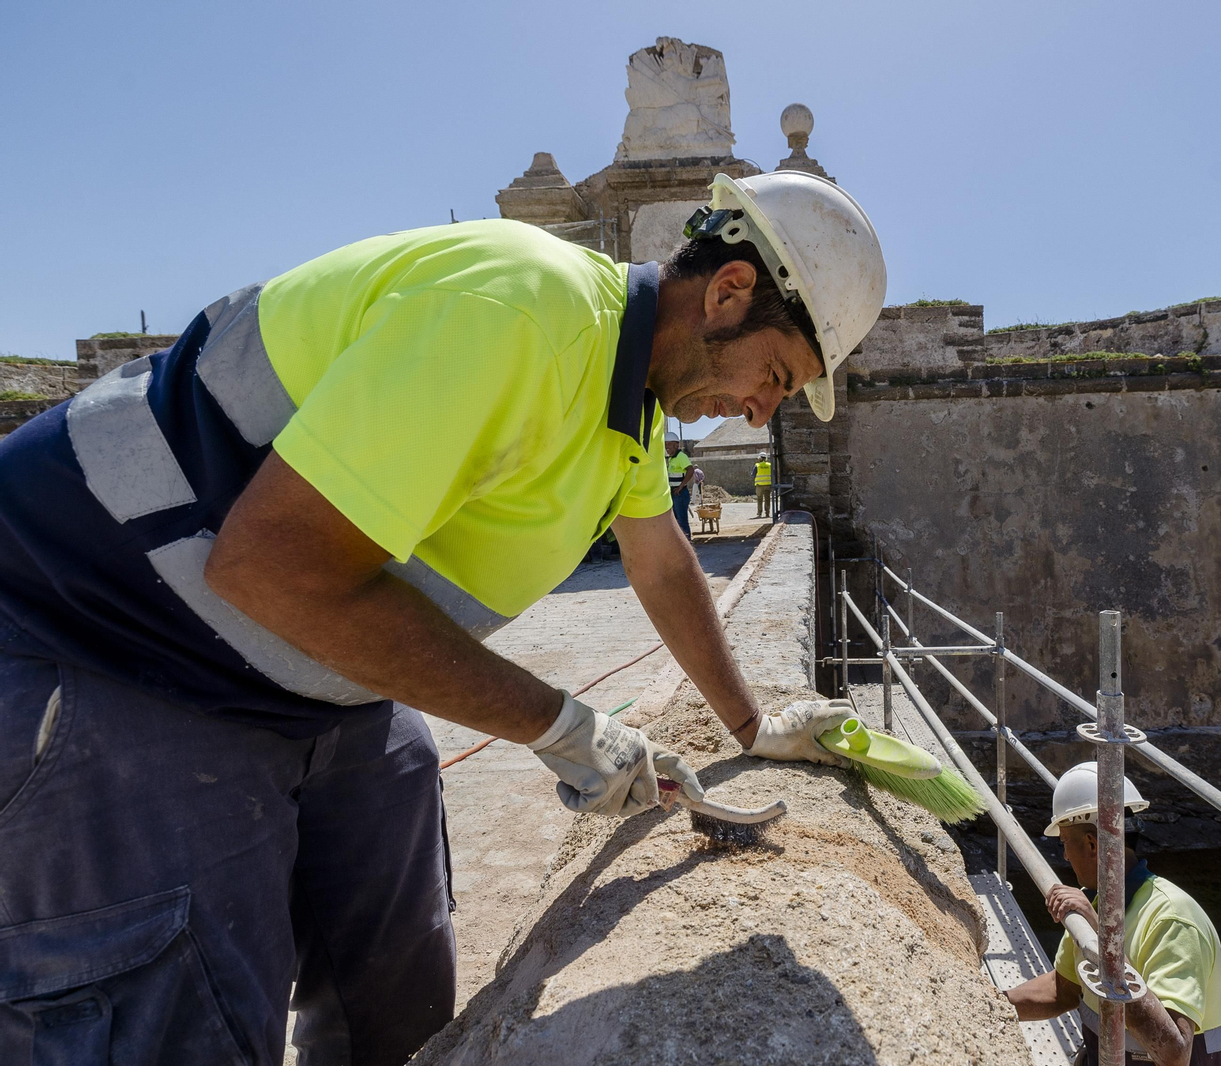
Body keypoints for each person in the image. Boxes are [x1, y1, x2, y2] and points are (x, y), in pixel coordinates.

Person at [0, 170, 886, 1064]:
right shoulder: (522, 313)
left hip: (281, 665)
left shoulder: (633, 406)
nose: (762, 411)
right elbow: (274, 566)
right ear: (729, 292)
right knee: (180, 1017)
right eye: (775, 376)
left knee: (398, 977)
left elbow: (661, 563)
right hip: (102, 636)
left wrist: (751, 723)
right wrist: (561, 724)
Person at [1006, 763, 1221, 1066]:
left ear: (1091, 844)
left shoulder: (1171, 920)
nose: (1064, 855)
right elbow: (1061, 992)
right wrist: (989, 1003)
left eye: (1065, 842)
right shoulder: (1097, 902)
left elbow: (1174, 1051)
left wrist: (1101, 937)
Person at [665, 430, 697, 537]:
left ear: (676, 445)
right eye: (666, 445)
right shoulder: (672, 459)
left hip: (680, 494)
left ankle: (687, 542)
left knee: (682, 521)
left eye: (669, 444)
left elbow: (690, 470)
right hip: (674, 493)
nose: (667, 447)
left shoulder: (681, 457)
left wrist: (680, 487)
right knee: (676, 521)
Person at [753, 451, 773, 517]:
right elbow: (774, 474)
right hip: (768, 485)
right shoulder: (770, 465)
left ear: (760, 458)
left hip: (759, 485)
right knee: (767, 499)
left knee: (759, 499)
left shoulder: (757, 465)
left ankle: (759, 513)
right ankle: (767, 513)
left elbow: (753, 475)